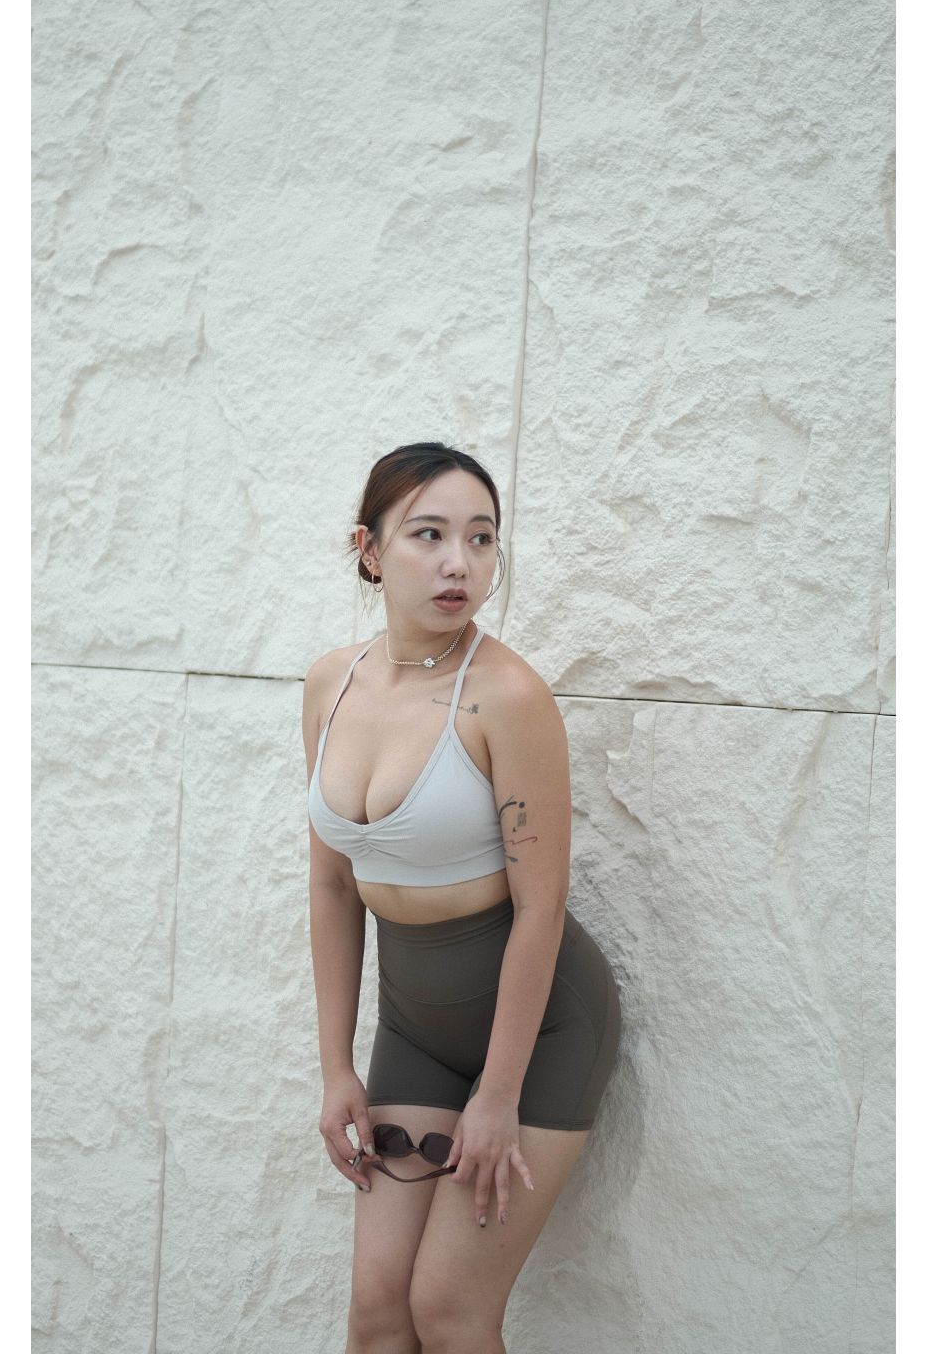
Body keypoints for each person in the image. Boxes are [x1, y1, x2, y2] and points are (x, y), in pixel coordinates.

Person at [304, 441, 622, 1354]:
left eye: (482, 539)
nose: (460, 563)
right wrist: (336, 1068)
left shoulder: (506, 697)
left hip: (542, 1033)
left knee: (447, 1311)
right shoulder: (331, 684)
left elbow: (541, 907)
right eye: (430, 535)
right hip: (415, 1031)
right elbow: (332, 881)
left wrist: (500, 1094)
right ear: (369, 550)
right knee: (377, 1316)